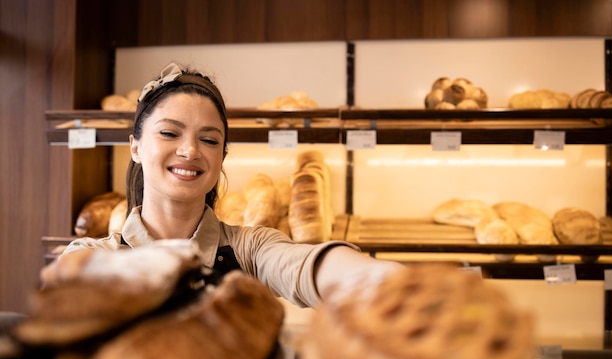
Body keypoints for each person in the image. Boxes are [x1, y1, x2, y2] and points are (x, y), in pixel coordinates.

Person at [56, 62, 405, 308]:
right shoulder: (91, 256)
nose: (190, 150)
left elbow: (310, 268)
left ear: (222, 156)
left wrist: (406, 287)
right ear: (135, 146)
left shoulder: (249, 250)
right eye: (169, 133)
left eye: (209, 140)